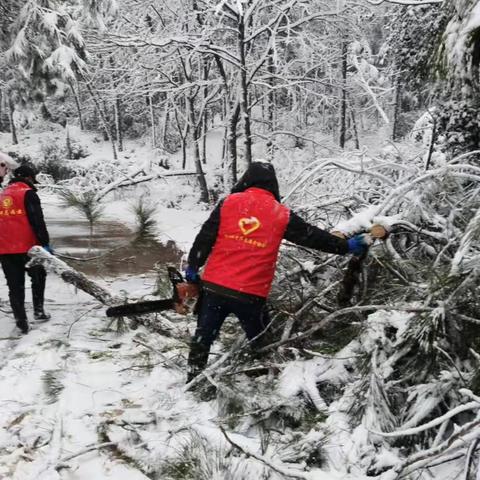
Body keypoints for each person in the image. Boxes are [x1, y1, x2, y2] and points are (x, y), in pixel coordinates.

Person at [185, 161, 372, 381]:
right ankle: (267, 379)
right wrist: (346, 247)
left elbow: (205, 237)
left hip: (215, 288)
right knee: (263, 341)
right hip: (249, 293)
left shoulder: (229, 203)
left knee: (203, 337)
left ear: (245, 180)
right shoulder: (279, 213)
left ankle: (192, 380)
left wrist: (193, 267)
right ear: (273, 186)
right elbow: (312, 236)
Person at [0, 164, 52, 334]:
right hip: (29, 248)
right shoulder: (28, 193)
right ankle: (38, 311)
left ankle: (21, 322)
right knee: (38, 277)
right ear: (29, 178)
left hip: (5, 249)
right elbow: (37, 220)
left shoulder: (3, 194)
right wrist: (45, 243)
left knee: (15, 286)